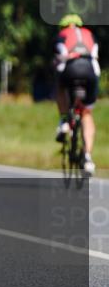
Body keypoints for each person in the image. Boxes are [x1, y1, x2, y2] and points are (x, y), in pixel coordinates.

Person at [54, 14, 100, 176]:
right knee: (87, 113)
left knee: (60, 87)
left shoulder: (62, 35)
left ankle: (64, 121)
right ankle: (87, 158)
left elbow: (59, 57)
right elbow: (95, 56)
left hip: (71, 68)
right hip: (89, 71)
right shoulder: (89, 34)